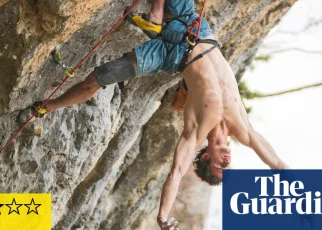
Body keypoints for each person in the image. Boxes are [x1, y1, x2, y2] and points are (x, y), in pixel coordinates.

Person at [17, 0, 289, 229]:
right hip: (196, 30)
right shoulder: (242, 128)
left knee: (97, 79)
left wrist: (162, 216)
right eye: (226, 167)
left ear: (207, 157)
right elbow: (275, 163)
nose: (227, 162)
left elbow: (176, 172)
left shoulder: (195, 132)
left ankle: (46, 106)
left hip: (171, 55)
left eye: (220, 166)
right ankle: (155, 19)